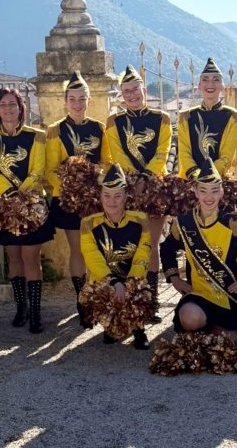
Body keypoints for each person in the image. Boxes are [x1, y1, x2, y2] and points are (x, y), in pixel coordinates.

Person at [160, 158, 237, 337]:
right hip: (198, 294)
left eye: (214, 191)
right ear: (195, 192)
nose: (208, 197)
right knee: (189, 318)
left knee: (230, 341)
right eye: (203, 191)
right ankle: (207, 330)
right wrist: (175, 278)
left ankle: (211, 332)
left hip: (228, 296)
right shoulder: (184, 222)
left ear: (221, 192)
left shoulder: (233, 221)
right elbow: (166, 249)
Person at [45, 71, 111, 328]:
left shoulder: (99, 128)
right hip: (69, 199)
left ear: (89, 99)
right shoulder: (54, 130)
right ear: (65, 101)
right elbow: (50, 169)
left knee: (98, 249)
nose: (77, 103)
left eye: (82, 98)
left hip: (95, 198)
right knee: (78, 249)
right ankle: (82, 299)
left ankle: (98, 296)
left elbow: (107, 162)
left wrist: (94, 175)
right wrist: (71, 185)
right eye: (72, 98)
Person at [0, 87, 50, 334]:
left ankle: (36, 311)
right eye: (3, 105)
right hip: (5, 207)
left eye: (13, 104)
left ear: (21, 108)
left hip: (32, 206)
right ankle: (21, 307)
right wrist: (10, 197)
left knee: (31, 257)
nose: (8, 109)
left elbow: (38, 171)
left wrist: (22, 196)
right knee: (14, 257)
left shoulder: (37, 136)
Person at [106, 65, 172, 320]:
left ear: (144, 90)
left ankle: (151, 302)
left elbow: (162, 152)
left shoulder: (162, 119)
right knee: (130, 247)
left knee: (151, 245)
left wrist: (146, 177)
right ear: (121, 95)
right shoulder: (114, 122)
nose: (132, 94)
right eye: (126, 91)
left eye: (135, 89)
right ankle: (132, 300)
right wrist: (135, 179)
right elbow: (117, 154)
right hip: (128, 189)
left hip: (155, 187)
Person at [80, 163, 152, 349]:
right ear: (100, 197)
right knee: (90, 298)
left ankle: (138, 328)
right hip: (106, 280)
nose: (112, 201)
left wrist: (131, 283)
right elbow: (92, 258)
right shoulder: (89, 223)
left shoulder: (140, 220)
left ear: (126, 197)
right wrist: (113, 282)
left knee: (140, 292)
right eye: (107, 195)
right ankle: (111, 326)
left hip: (132, 278)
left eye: (117, 196)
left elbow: (143, 255)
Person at [177, 57, 237, 180]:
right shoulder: (186, 116)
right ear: (199, 86)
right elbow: (184, 152)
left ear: (222, 86)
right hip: (189, 180)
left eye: (216, 80)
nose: (210, 84)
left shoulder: (233, 117)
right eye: (205, 80)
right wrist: (196, 176)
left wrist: (208, 178)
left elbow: (227, 156)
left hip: (218, 181)